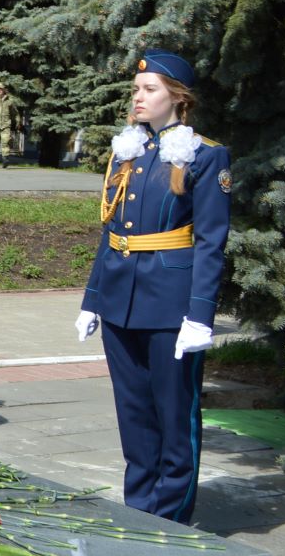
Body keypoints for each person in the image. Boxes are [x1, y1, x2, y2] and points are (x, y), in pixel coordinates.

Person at [76, 50, 230, 524]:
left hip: (171, 303)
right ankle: (139, 507)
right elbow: (112, 231)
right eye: (137, 90)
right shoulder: (130, 150)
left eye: (150, 90)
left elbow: (210, 241)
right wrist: (92, 300)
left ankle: (172, 516)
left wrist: (200, 315)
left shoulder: (204, 155)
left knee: (173, 410)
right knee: (134, 411)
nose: (138, 97)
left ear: (177, 98)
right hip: (121, 299)